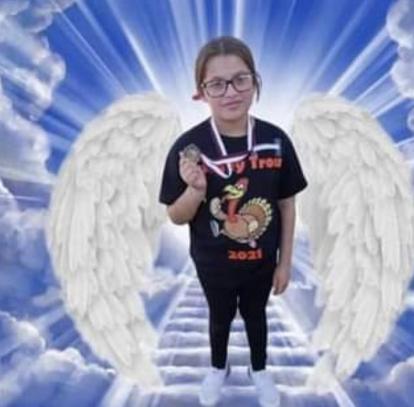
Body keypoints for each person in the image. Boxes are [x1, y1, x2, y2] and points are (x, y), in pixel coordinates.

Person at [158, 36, 307, 407]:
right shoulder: (188, 149)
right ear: (201, 92)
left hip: (261, 262)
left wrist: (285, 263)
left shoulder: (275, 140)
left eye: (241, 79)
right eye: (217, 84)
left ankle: (259, 369)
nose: (231, 92)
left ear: (255, 82)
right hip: (213, 264)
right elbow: (175, 216)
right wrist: (195, 190)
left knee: (256, 316)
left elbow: (287, 205)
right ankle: (218, 367)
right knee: (220, 316)